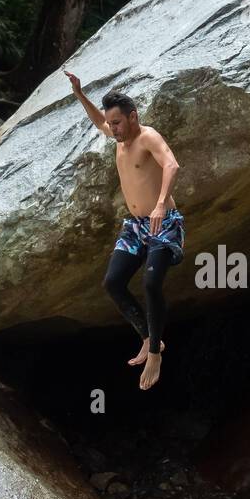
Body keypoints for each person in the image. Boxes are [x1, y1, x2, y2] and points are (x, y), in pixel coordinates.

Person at [64, 71, 183, 390]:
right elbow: (97, 122)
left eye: (117, 123)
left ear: (133, 117)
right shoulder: (117, 135)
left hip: (163, 221)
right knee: (113, 282)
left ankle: (156, 351)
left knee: (151, 282)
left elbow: (171, 165)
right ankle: (146, 336)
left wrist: (160, 204)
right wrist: (79, 94)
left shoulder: (147, 137)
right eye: (110, 123)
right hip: (135, 226)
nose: (111, 129)